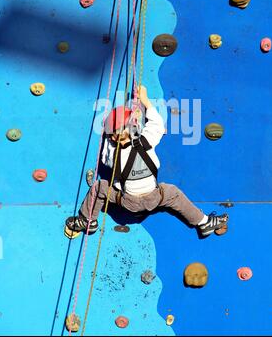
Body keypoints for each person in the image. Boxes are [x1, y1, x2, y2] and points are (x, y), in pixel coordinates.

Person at [65, 86, 228, 238]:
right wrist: (144, 100)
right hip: (154, 198)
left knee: (100, 187)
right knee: (172, 192)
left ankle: (87, 220)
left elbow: (109, 148)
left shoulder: (112, 153)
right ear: (134, 127)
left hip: (127, 202)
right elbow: (156, 124)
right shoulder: (147, 141)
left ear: (112, 136)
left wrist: (115, 132)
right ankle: (204, 222)